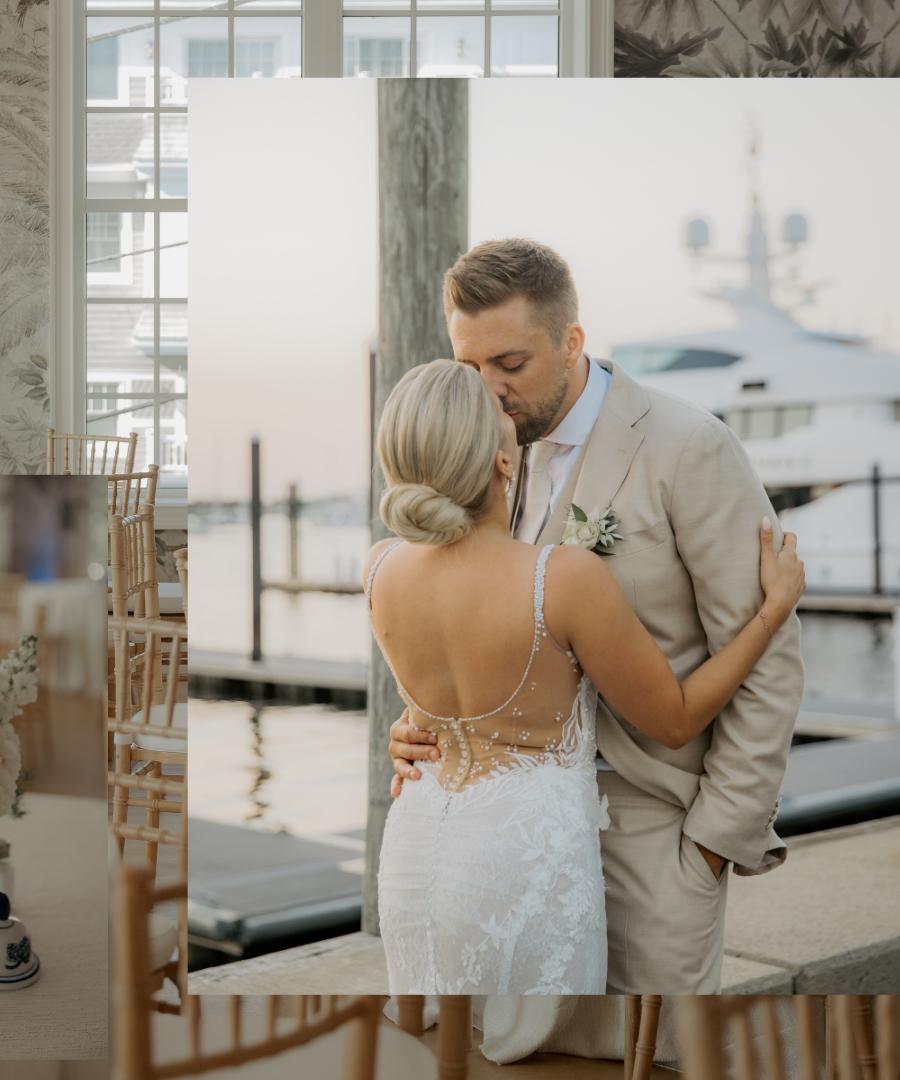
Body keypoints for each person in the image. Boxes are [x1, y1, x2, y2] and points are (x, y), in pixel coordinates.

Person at [386, 238, 805, 994]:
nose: (489, 392)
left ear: (572, 341)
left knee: (655, 1047)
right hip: (508, 845)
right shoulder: (476, 451)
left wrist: (713, 844)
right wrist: (426, 722)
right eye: (469, 367)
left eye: (510, 364)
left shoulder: (689, 447)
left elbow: (770, 664)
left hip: (652, 829)